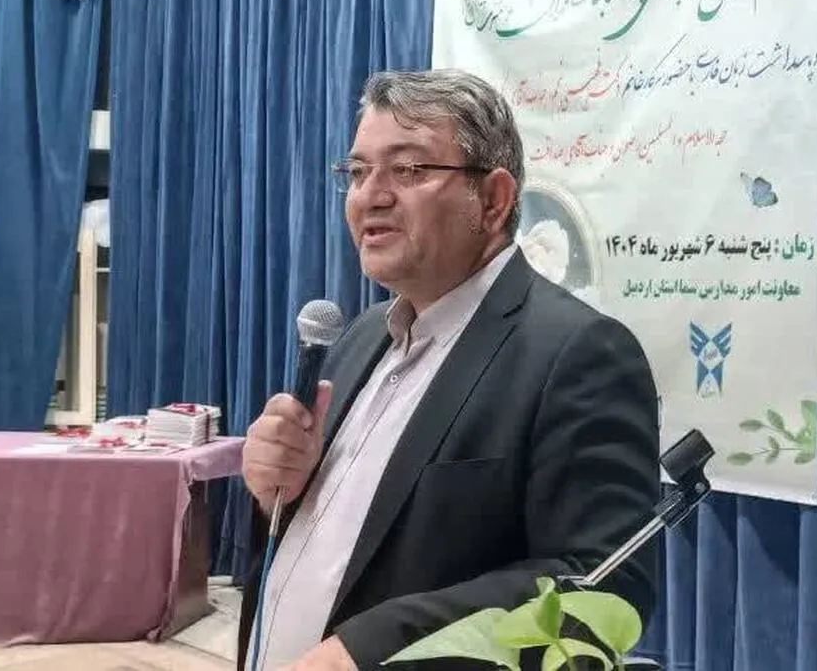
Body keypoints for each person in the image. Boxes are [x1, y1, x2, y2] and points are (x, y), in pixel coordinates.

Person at [237, 69, 660, 670]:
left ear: (493, 199)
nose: (371, 195)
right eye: (357, 172)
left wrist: (371, 648)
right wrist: (279, 491)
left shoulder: (578, 353)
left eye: (408, 170)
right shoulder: (361, 336)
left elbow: (601, 585)